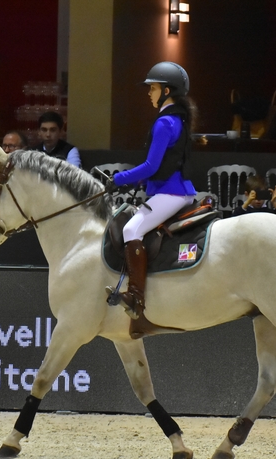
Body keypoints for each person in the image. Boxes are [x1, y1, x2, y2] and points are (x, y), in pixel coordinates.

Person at [105, 61, 197, 326]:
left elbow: (151, 165)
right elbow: (165, 165)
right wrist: (142, 183)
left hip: (172, 194)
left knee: (131, 230)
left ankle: (135, 297)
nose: (149, 93)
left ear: (167, 91)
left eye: (153, 88)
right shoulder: (176, 119)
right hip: (173, 190)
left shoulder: (164, 122)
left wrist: (119, 178)